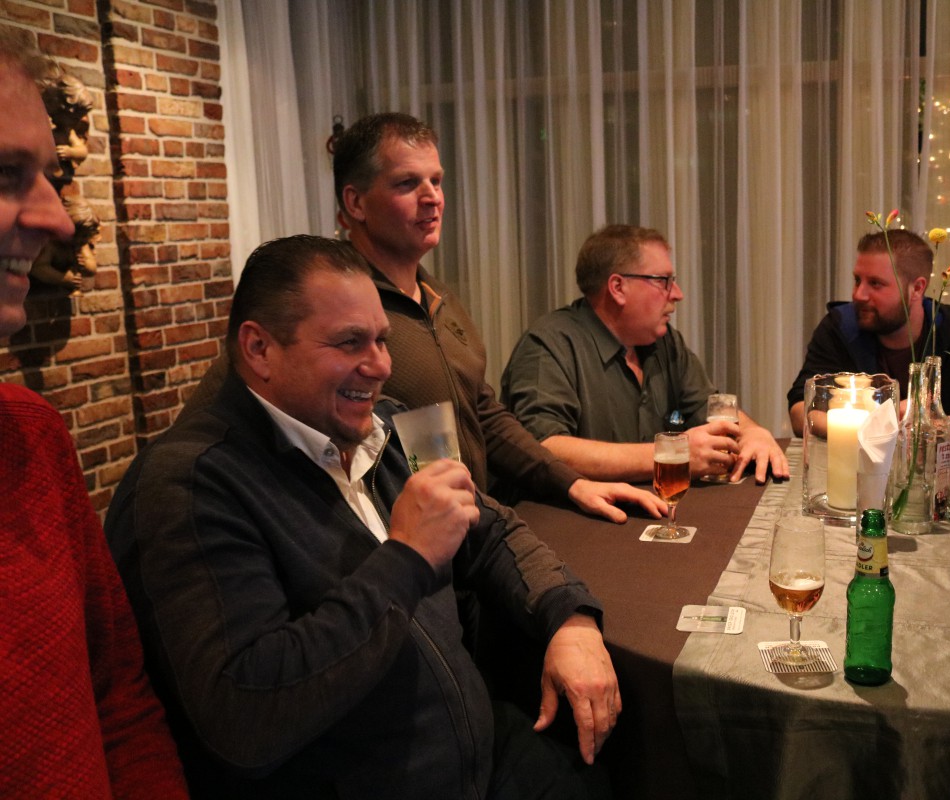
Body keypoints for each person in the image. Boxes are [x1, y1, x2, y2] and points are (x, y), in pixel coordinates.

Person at [105, 235, 620, 798]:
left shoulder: (398, 422)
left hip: (483, 757)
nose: (381, 366)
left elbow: (491, 529)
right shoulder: (186, 485)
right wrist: (408, 557)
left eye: (382, 339)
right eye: (350, 342)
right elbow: (245, 719)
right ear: (259, 349)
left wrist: (569, 618)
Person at [187, 113, 662, 525]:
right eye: (407, 183)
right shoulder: (324, 308)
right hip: (387, 550)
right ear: (355, 203)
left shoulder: (438, 296)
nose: (432, 197)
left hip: (468, 533)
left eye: (436, 181)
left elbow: (481, 412)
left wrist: (570, 482)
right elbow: (224, 410)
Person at [0, 32, 188, 798]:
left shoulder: (33, 437)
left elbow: (117, 701)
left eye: (50, 176)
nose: (59, 220)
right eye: (6, 175)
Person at [501, 224, 790, 484]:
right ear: (618, 288)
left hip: (650, 508)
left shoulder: (663, 342)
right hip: (566, 518)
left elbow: (710, 409)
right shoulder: (549, 345)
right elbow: (544, 447)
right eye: (663, 280)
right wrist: (670, 454)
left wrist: (753, 432)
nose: (677, 293)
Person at [787, 228, 950, 448]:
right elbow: (801, 412)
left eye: (875, 283)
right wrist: (880, 423)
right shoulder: (839, 327)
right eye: (857, 280)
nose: (859, 294)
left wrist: (934, 424)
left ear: (917, 288)